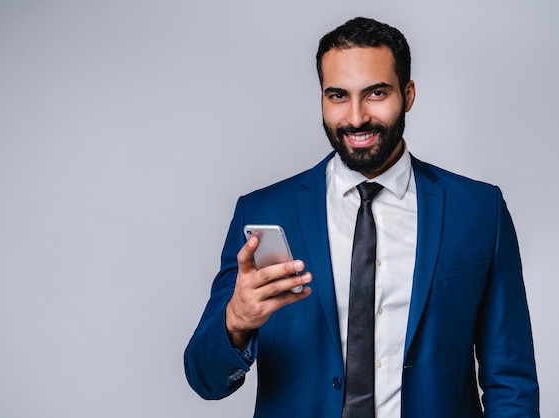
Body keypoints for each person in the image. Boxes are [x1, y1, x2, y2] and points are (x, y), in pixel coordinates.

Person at [184, 17, 539, 418]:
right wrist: (236, 322)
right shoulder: (263, 211)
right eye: (337, 95)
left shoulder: (478, 210)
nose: (355, 118)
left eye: (375, 93)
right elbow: (204, 380)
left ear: (408, 95)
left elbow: (511, 381)